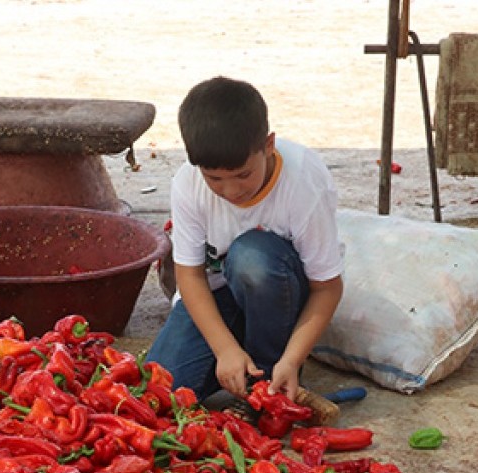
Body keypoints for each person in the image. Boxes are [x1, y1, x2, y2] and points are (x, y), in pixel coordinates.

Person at [147, 76, 343, 409]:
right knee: (164, 390)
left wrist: (292, 359)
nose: (231, 191)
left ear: (268, 145)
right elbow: (191, 275)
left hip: (277, 292)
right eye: (215, 179)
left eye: (242, 174)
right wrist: (224, 349)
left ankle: (269, 375)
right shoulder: (187, 184)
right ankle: (242, 360)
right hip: (218, 296)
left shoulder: (304, 182)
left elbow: (327, 288)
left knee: (252, 258)